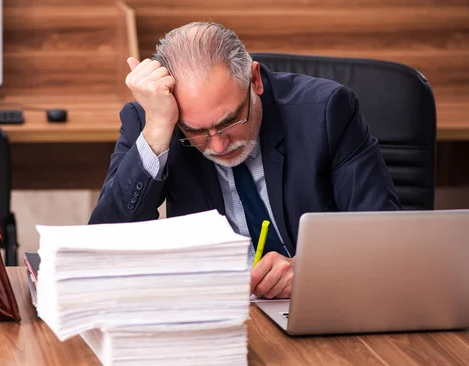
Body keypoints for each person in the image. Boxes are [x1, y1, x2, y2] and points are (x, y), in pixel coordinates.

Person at [89, 22, 401, 299]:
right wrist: (158, 129)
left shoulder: (326, 112)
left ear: (255, 81)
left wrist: (314, 270)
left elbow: (385, 237)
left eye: (230, 121)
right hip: (214, 311)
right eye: (195, 131)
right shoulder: (153, 121)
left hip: (317, 304)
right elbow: (104, 246)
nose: (218, 144)